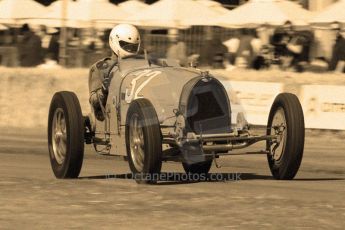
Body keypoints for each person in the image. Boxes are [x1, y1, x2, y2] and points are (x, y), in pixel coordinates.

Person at [89, 24, 141, 121]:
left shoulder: (142, 65)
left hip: (140, 112)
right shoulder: (101, 68)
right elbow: (93, 102)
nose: (130, 50)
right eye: (126, 46)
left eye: (133, 47)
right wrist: (104, 90)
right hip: (110, 117)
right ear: (114, 42)